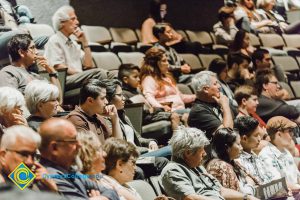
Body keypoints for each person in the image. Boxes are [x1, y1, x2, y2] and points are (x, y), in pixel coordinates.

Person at [161, 127, 258, 200]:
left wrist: (247, 197)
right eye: (201, 150)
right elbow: (191, 198)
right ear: (188, 153)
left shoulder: (196, 166)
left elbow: (222, 191)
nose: (205, 153)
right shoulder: (173, 170)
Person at [39, 118, 119, 200]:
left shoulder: (70, 170)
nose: (80, 145)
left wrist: (100, 198)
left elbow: (111, 192)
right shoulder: (51, 176)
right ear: (54, 148)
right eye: (73, 140)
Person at [44, 5, 113, 92]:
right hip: (63, 80)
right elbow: (59, 66)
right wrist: (82, 74)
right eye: (73, 19)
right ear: (62, 22)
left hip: (78, 77)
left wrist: (85, 42)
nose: (77, 22)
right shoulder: (54, 40)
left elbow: (88, 64)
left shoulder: (73, 43)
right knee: (100, 73)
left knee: (112, 75)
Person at [103, 138, 169, 200]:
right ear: (119, 164)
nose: (135, 168)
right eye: (133, 163)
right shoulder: (108, 191)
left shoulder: (126, 187)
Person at [118, 63, 180, 129]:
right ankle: (179, 138)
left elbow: (149, 107)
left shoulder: (137, 91)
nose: (139, 79)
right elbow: (137, 114)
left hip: (150, 116)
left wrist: (160, 108)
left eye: (138, 76)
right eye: (135, 77)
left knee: (183, 116)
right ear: (125, 80)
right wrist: (157, 109)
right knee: (175, 116)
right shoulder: (124, 95)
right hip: (143, 121)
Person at [0, 125, 57, 192]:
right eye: (23, 154)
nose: (30, 162)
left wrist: (52, 190)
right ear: (3, 155)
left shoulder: (20, 174)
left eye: (33, 155)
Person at [66, 79, 122, 145]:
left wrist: (115, 119)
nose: (106, 102)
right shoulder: (75, 119)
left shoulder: (98, 117)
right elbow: (89, 151)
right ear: (90, 100)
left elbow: (118, 146)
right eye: (103, 98)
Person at [140, 47, 195, 113]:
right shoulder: (149, 79)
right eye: (164, 61)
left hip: (181, 109)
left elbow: (180, 97)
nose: (167, 64)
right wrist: (161, 108)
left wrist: (197, 97)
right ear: (155, 64)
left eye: (167, 60)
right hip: (171, 112)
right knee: (197, 112)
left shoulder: (167, 77)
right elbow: (149, 97)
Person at [206, 128, 256, 195]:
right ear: (227, 148)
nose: (241, 148)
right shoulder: (221, 166)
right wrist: (250, 185)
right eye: (238, 144)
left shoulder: (233, 163)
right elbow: (238, 196)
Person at [188, 71, 233, 139]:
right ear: (206, 89)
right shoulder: (199, 111)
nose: (219, 86)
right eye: (215, 84)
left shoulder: (217, 102)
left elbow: (235, 121)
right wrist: (225, 106)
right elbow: (227, 135)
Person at [259, 116, 300, 191]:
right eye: (289, 131)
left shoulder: (286, 151)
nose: (292, 135)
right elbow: (278, 184)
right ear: (279, 134)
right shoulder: (266, 155)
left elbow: (297, 177)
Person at [234, 116, 275, 185]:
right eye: (256, 135)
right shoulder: (238, 161)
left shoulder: (255, 155)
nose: (259, 139)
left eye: (259, 135)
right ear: (244, 139)